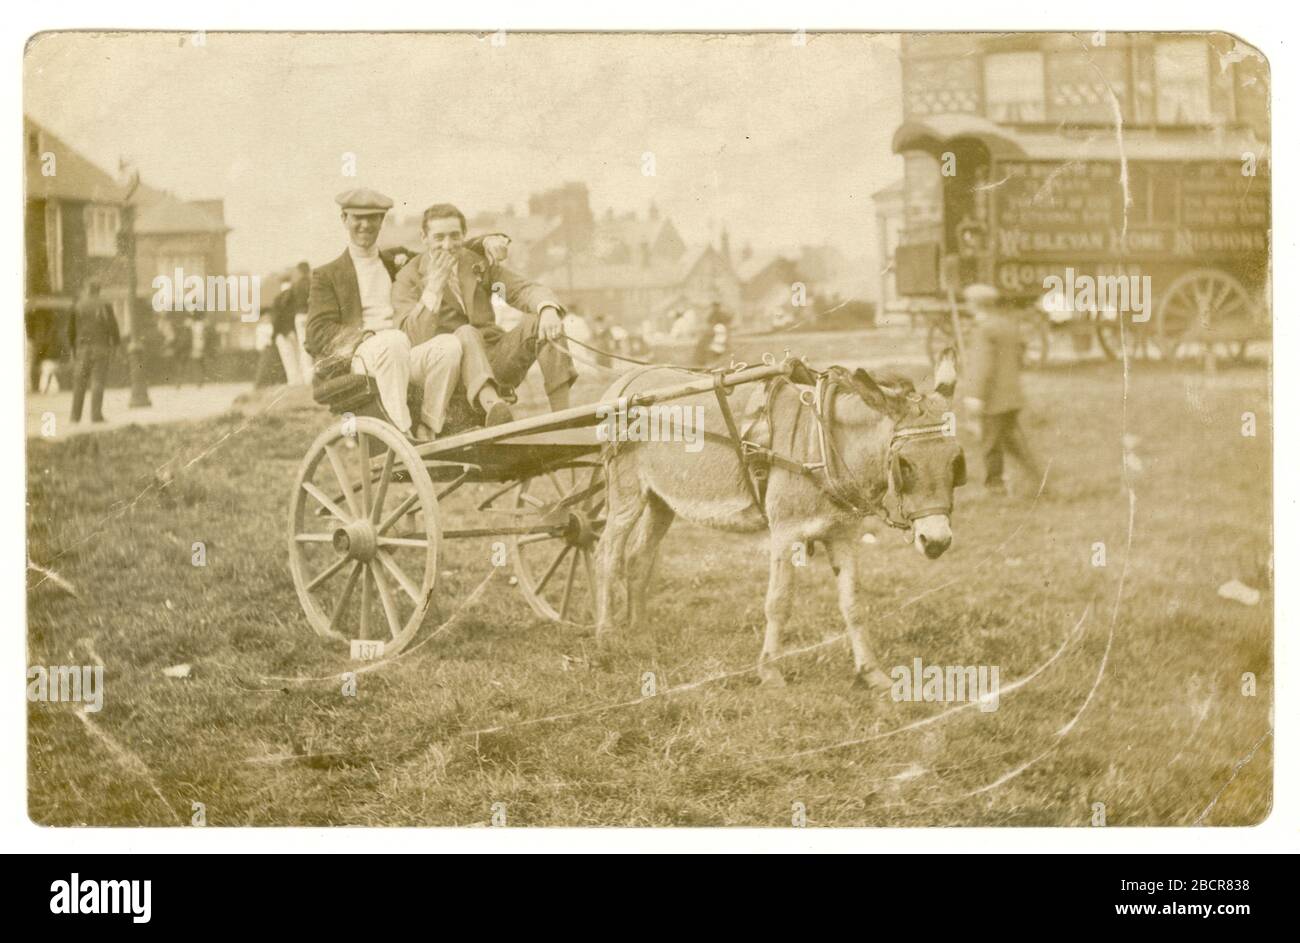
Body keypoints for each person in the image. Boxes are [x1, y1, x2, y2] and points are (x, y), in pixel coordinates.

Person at [391, 202, 578, 419]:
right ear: (424, 237)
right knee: (465, 332)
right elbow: (411, 337)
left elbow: (522, 289)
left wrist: (547, 309)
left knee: (540, 319)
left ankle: (563, 416)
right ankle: (493, 408)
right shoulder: (408, 277)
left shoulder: (476, 263)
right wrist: (434, 288)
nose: (448, 245)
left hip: (496, 360)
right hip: (451, 373)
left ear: (464, 235)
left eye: (454, 236)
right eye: (439, 237)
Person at [304, 188, 464, 441]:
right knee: (394, 341)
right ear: (344, 219)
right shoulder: (327, 275)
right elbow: (316, 332)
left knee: (450, 345)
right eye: (358, 217)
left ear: (382, 220)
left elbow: (442, 244)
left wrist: (488, 241)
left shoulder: (397, 260)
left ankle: (429, 426)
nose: (365, 224)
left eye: (374, 217)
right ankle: (400, 431)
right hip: (362, 360)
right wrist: (364, 338)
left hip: (401, 354)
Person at [962, 284, 1044, 496]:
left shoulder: (984, 330)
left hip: (992, 399)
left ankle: (995, 487)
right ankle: (1036, 478)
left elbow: (982, 365)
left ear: (975, 305)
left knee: (991, 445)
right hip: (1012, 396)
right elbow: (1019, 356)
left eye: (969, 303)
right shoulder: (1007, 326)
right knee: (1012, 441)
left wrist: (975, 396)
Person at [67, 280, 120, 423]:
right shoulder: (104, 305)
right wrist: (115, 345)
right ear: (99, 290)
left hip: (82, 349)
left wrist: (73, 349)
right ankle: (96, 416)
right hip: (101, 348)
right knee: (97, 381)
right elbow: (113, 326)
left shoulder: (77, 305)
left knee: (79, 383)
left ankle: (74, 416)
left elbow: (70, 330)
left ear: (86, 289)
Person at [271, 277, 303, 384]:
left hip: (283, 333)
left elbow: (276, 319)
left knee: (289, 361)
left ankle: (294, 382)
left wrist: (274, 335)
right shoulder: (296, 297)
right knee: (299, 358)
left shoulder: (277, 299)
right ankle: (302, 382)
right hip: (295, 331)